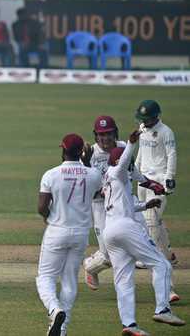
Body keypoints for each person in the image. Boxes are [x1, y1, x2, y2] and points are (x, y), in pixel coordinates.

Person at [102, 130, 185, 335]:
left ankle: (129, 325)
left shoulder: (113, 180)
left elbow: (128, 204)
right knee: (162, 264)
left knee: (123, 280)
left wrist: (147, 204)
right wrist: (131, 144)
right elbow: (123, 165)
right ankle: (163, 309)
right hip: (125, 227)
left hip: (110, 232)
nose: (131, 168)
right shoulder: (117, 172)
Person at [82, 116, 167, 292]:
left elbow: (132, 172)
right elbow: (83, 183)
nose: (105, 139)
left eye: (108, 134)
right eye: (101, 135)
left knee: (142, 239)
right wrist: (84, 163)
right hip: (100, 206)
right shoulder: (90, 153)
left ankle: (166, 285)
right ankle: (90, 267)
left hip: (124, 201)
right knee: (107, 254)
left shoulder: (122, 148)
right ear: (96, 136)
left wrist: (151, 183)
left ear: (115, 133)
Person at [36, 133, 103, 336]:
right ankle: (61, 330)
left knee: (45, 277)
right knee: (69, 280)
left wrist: (49, 216)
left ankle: (55, 310)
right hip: (80, 233)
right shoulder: (93, 175)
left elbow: (41, 207)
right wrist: (86, 163)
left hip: (57, 230)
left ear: (63, 149)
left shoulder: (51, 174)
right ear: (82, 151)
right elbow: (96, 194)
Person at [134, 99, 180, 302]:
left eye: (147, 119)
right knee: (148, 222)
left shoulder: (166, 132)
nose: (144, 122)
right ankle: (168, 251)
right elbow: (141, 154)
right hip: (143, 179)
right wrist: (132, 171)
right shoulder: (142, 128)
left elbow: (172, 154)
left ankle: (168, 288)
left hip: (159, 181)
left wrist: (169, 177)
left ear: (156, 116)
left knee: (152, 224)